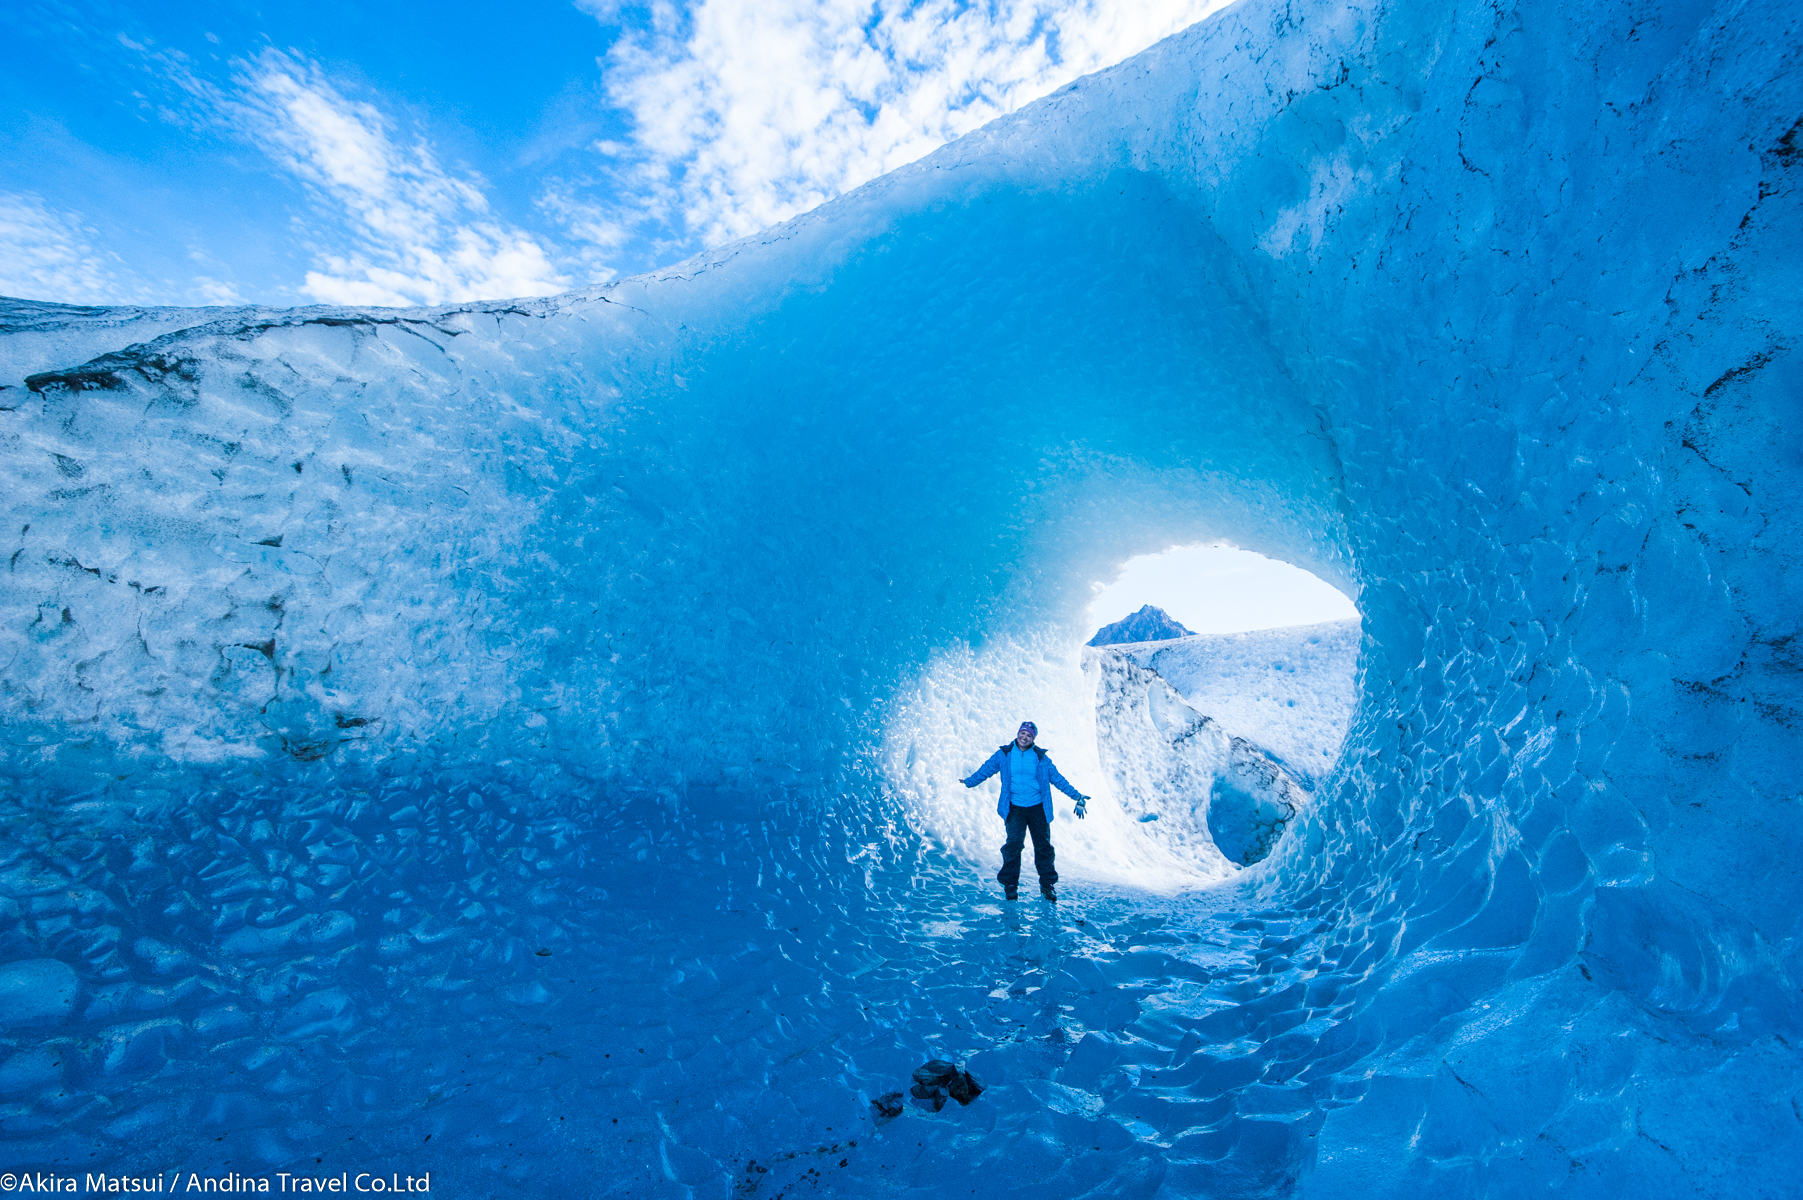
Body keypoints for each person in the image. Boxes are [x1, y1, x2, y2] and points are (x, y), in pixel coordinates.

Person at [962, 721, 1089, 901]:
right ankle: (1010, 885)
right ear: (1017, 733)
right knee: (1013, 845)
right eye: (1022, 733)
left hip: (1038, 808)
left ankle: (1047, 885)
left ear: (1033, 739)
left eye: (1029, 735)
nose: (1024, 737)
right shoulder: (1004, 754)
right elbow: (987, 769)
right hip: (1014, 808)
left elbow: (1058, 779)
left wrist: (1077, 796)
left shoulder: (1040, 758)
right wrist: (969, 781)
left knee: (1043, 846)